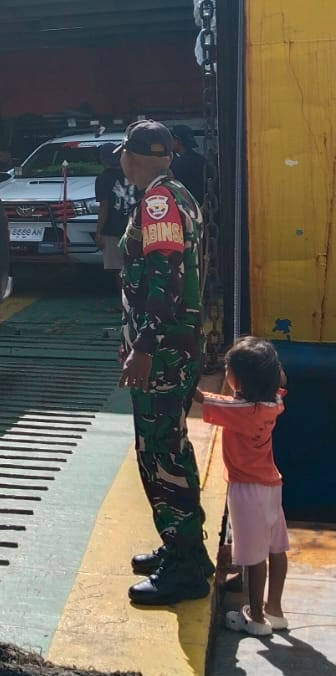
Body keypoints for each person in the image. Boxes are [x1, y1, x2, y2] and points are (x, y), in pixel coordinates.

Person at [116, 119, 216, 604]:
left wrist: (144, 346)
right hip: (174, 346)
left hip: (163, 352)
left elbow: (166, 277)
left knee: (161, 452)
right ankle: (184, 546)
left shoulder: (158, 201)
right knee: (170, 446)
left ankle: (184, 568)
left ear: (131, 157)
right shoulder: (179, 195)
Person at [197, 338, 289, 637]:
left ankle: (256, 619)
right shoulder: (274, 403)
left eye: (228, 368)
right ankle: (275, 610)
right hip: (271, 486)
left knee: (253, 556)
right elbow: (279, 380)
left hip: (246, 490)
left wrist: (180, 372)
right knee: (276, 549)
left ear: (239, 378)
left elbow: (201, 398)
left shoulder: (239, 411)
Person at [93, 147, 135, 289]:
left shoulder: (102, 178)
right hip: (134, 224)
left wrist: (98, 231)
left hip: (112, 228)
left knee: (118, 268)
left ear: (103, 160)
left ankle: (124, 298)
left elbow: (104, 207)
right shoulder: (133, 174)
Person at [170, 125, 206, 203]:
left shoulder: (179, 163)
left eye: (172, 139)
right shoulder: (199, 159)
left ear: (178, 141)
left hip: (186, 203)